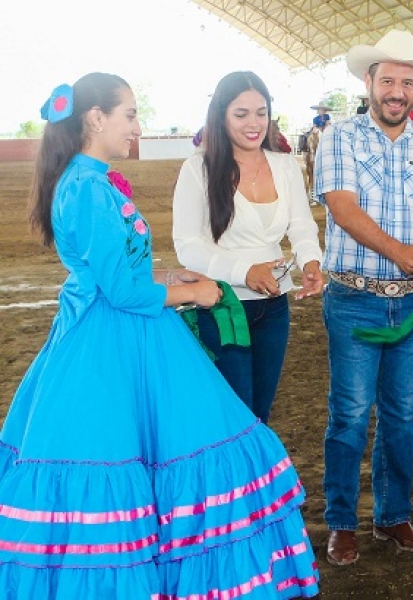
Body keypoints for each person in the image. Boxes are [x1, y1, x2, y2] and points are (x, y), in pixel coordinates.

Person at [0, 72, 319, 597]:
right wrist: (197, 292)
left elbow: (114, 272)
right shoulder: (87, 188)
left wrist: (171, 276)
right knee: (169, 442)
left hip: (113, 330)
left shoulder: (89, 180)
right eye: (129, 114)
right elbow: (122, 291)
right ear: (95, 118)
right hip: (113, 338)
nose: (136, 126)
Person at [314, 29, 413, 566]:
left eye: (407, 82)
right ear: (368, 82)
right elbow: (343, 208)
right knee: (350, 415)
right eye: (388, 80)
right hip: (355, 297)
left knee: (399, 415)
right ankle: (341, 522)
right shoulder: (339, 137)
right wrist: (401, 252)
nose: (398, 91)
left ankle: (394, 516)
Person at [173, 71, 323, 424]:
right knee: (232, 417)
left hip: (274, 307)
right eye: (241, 114)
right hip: (222, 305)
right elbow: (188, 245)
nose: (254, 123)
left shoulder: (286, 166)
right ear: (221, 115)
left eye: (261, 112)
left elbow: (301, 224)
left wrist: (310, 261)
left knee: (260, 413)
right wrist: (244, 272)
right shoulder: (198, 170)